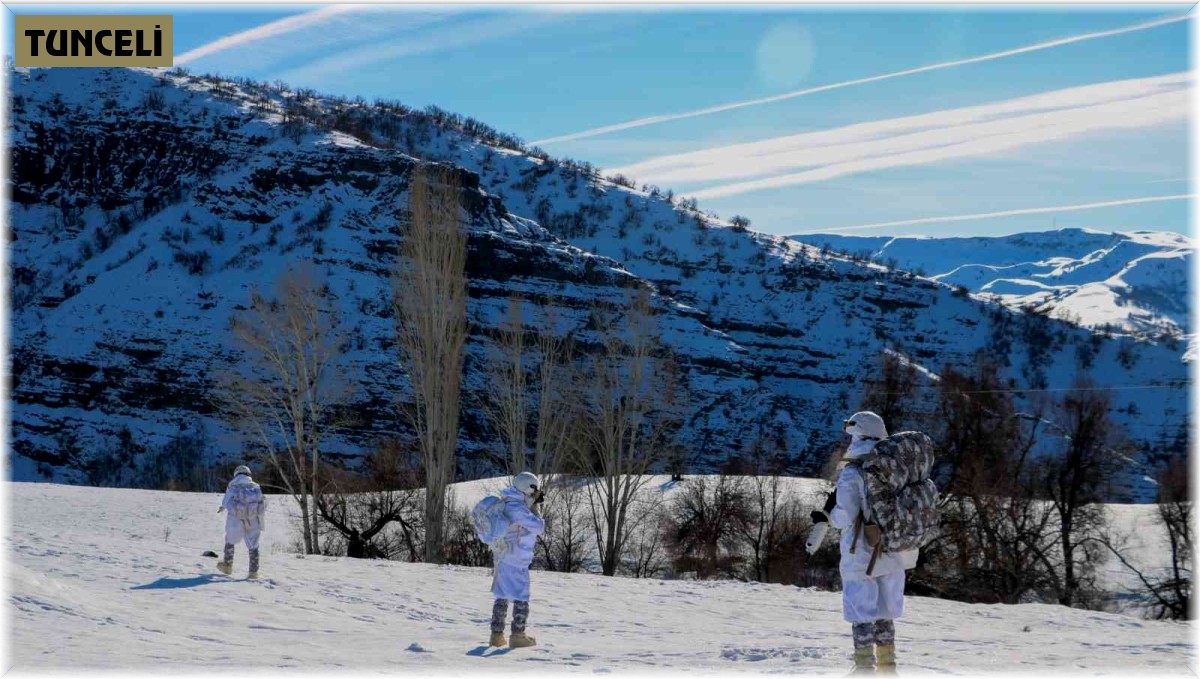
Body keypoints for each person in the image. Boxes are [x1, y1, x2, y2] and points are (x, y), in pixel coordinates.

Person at [816, 412, 918, 674]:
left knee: (861, 613)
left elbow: (844, 516)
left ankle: (863, 669)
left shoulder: (853, 471)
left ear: (857, 435)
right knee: (885, 612)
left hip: (862, 552)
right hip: (894, 550)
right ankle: (888, 668)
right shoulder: (899, 467)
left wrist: (827, 516)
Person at [488, 471, 545, 649]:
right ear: (527, 488)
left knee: (502, 595)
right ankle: (518, 635)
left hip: (504, 557)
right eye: (534, 490)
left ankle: (496, 636)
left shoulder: (507, 502)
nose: (536, 495)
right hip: (516, 558)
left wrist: (531, 503)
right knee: (521, 596)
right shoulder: (517, 508)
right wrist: (536, 509)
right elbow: (539, 527)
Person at [216, 465, 266, 579]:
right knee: (253, 544)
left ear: (236, 474)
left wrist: (222, 507)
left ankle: (227, 566)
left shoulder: (233, 484)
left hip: (235, 518)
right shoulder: (255, 486)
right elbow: (261, 503)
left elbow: (227, 499)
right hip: (253, 518)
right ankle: (253, 572)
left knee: (230, 539)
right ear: (248, 474)